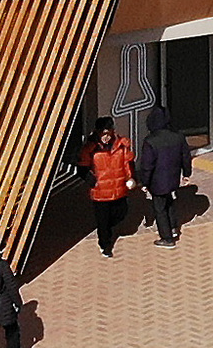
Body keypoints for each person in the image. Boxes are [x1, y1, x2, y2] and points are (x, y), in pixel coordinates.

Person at [78, 119, 136, 258]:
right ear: (98, 133)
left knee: (121, 213)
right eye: (103, 134)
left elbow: (128, 164)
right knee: (102, 221)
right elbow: (82, 168)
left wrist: (131, 178)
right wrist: (91, 181)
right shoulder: (90, 149)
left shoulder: (122, 145)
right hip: (100, 192)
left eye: (108, 133)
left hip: (119, 189)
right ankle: (105, 245)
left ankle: (108, 230)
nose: (106, 137)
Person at [136, 104, 192, 247]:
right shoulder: (178, 136)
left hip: (157, 181)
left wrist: (144, 182)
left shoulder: (150, 141)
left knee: (159, 208)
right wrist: (186, 173)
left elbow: (147, 166)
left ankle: (167, 238)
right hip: (173, 178)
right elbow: (185, 156)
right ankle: (173, 227)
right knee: (170, 202)